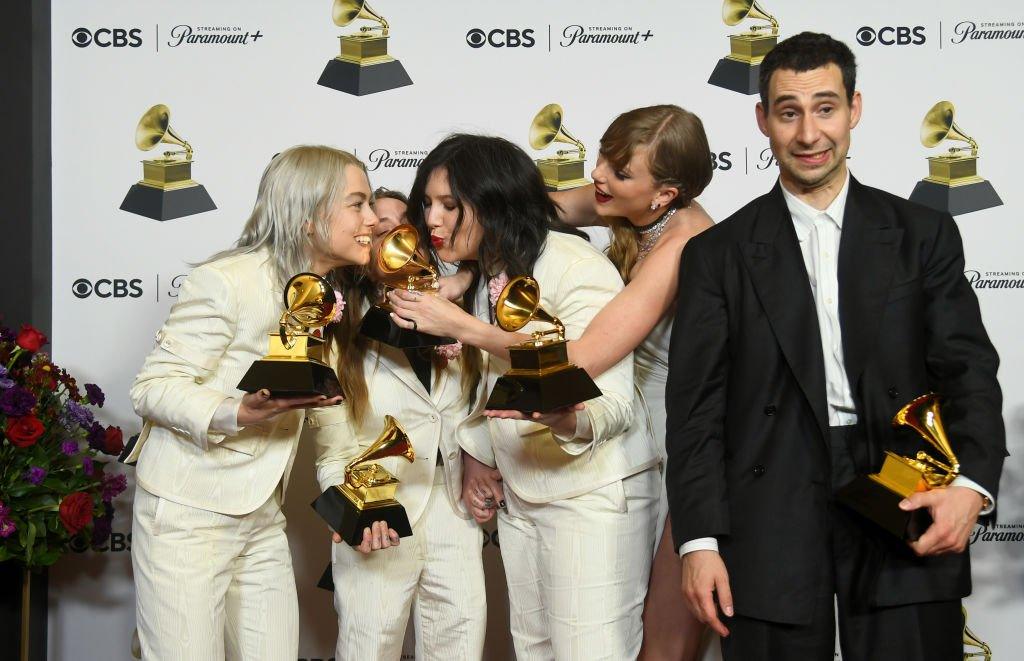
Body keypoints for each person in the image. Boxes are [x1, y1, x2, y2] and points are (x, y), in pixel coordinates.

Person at [665, 32, 1005, 661]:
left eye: (825, 108)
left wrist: (972, 485)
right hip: (769, 489)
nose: (808, 133)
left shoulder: (921, 234)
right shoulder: (717, 255)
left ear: (855, 108)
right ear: (762, 119)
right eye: (789, 112)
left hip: (904, 477)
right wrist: (700, 543)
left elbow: (969, 372)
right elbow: (694, 412)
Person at [388, 133, 662, 660]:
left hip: (592, 499)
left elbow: (615, 405)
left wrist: (562, 416)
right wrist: (475, 455)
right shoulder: (483, 273)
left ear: (494, 202)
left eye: (450, 205)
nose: (432, 222)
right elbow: (481, 390)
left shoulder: (575, 266)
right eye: (427, 204)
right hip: (523, 499)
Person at [127, 145, 378, 660]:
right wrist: (238, 412)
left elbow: (331, 428)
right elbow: (152, 387)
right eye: (358, 204)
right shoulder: (227, 281)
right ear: (309, 216)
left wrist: (356, 504)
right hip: (186, 517)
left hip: (261, 517)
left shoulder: (324, 298)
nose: (372, 220)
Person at [549, 105, 714, 661]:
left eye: (620, 172)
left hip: (684, 452)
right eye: (602, 156)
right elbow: (527, 210)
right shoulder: (623, 201)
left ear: (663, 194)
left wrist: (460, 327)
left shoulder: (683, 244)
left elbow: (583, 358)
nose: (597, 175)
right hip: (629, 439)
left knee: (663, 649)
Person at [307, 189, 487, 660]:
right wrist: (353, 510)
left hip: (454, 516)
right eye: (378, 226)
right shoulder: (336, 330)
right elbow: (331, 449)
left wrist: (478, 459)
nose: (392, 235)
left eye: (404, 224)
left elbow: (474, 408)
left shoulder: (459, 315)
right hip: (377, 518)